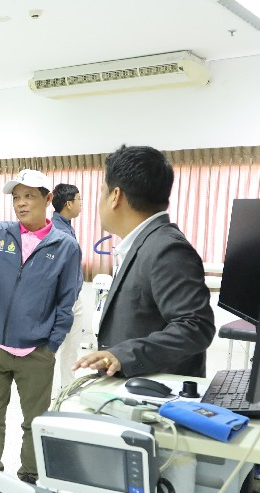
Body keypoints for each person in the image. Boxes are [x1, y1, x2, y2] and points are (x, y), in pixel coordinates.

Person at [0, 170, 82, 493]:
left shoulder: (65, 246)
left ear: (47, 199)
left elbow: (66, 301)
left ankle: (28, 478)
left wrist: (51, 346)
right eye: (16, 197)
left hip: (36, 350)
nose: (21, 203)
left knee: (34, 422)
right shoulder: (2, 233)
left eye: (29, 196)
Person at [73, 145, 215, 378]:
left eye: (101, 192)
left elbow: (195, 326)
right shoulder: (144, 243)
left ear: (115, 196)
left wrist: (124, 355)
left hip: (155, 392)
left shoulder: (166, 249)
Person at [50, 183, 86, 386]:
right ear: (68, 204)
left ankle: (67, 388)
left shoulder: (66, 226)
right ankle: (49, 391)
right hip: (61, 299)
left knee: (71, 348)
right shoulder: (56, 230)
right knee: (53, 348)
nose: (81, 204)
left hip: (73, 296)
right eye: (79, 199)